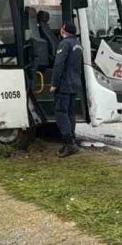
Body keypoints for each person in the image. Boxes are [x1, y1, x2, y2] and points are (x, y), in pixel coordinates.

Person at [49, 22, 83, 157]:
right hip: (74, 84)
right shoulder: (78, 44)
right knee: (70, 113)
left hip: (64, 84)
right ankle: (71, 141)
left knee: (61, 112)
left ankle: (69, 144)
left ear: (64, 31)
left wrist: (54, 84)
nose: (60, 30)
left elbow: (59, 64)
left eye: (62, 28)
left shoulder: (64, 44)